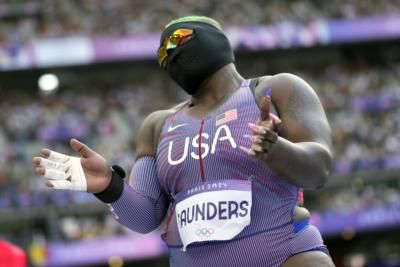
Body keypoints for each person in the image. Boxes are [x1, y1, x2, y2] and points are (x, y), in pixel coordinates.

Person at [33, 16, 335, 267]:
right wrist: (109, 187)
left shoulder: (274, 90)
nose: (169, 52)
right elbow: (145, 217)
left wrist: (276, 150)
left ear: (215, 39)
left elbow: (318, 169)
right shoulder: (158, 125)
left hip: (285, 257)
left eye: (177, 39)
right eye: (162, 54)